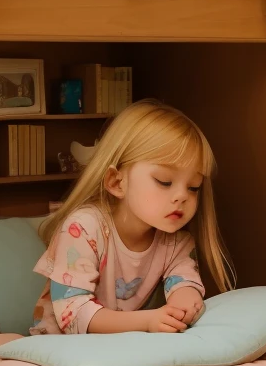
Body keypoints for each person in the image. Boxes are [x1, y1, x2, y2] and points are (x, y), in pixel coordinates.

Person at [31, 100, 232, 334]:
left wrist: (185, 303)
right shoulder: (83, 227)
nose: (181, 196)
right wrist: (147, 321)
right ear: (117, 182)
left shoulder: (176, 243)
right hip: (57, 347)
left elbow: (185, 283)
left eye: (193, 187)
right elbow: (72, 314)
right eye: (164, 181)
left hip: (120, 349)